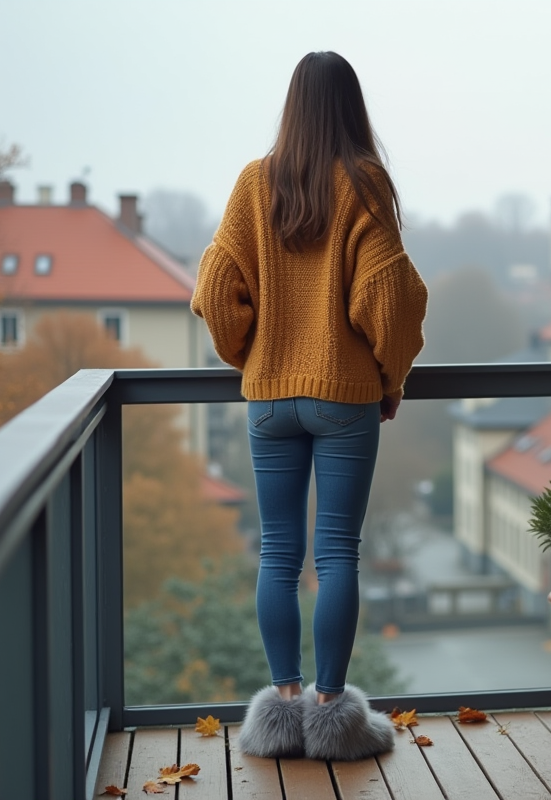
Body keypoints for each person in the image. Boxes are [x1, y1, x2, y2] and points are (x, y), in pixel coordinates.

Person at [191, 50, 428, 761]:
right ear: (350, 107)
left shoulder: (253, 183)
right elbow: (391, 300)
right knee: (336, 553)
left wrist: (250, 356)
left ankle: (282, 706)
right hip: (344, 398)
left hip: (269, 402)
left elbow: (214, 291)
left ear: (292, 107)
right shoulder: (364, 183)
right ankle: (331, 713)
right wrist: (390, 380)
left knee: (277, 553)